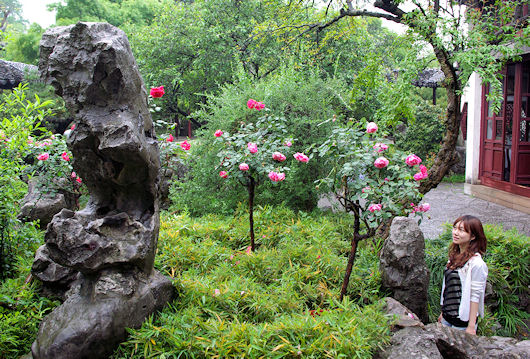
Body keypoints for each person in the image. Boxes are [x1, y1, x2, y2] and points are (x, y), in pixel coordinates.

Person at [438, 215, 488, 335]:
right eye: (455, 228)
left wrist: (471, 326)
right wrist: (442, 313)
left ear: (473, 236)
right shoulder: (453, 258)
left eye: (461, 230)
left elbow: (475, 296)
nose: (455, 233)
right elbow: (448, 287)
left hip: (462, 323)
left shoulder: (476, 264)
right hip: (447, 317)